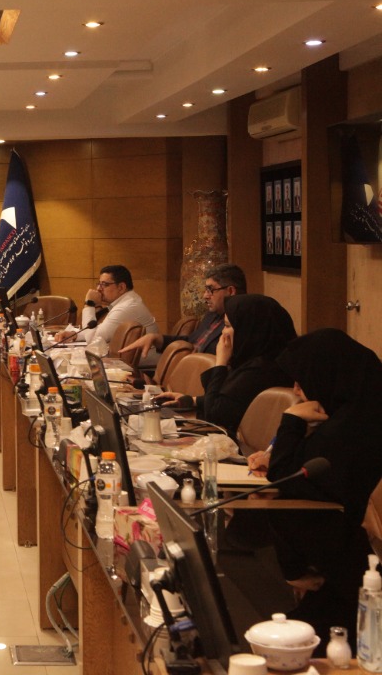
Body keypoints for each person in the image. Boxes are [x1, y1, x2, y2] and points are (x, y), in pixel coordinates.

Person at [246, 329, 382, 653]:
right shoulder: (356, 411)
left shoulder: (352, 428)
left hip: (346, 576)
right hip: (336, 554)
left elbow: (287, 479)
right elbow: (296, 472)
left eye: (301, 380)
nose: (295, 389)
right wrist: (276, 453)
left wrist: (292, 419)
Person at [160, 293, 296, 433]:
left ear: (249, 329)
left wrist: (221, 362)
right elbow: (230, 401)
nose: (223, 333)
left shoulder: (261, 371)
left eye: (227, 326)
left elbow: (215, 415)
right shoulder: (254, 360)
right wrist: (192, 400)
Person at [120, 263, 247, 359]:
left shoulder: (242, 324)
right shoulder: (213, 315)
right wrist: (156, 338)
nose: (205, 296)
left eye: (211, 290)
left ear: (230, 291)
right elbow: (191, 341)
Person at [53, 264, 158, 349]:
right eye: (99, 284)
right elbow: (98, 332)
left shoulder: (127, 307)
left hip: (140, 364)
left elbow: (93, 340)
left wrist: (89, 304)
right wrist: (74, 335)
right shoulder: (124, 302)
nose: (99, 289)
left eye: (104, 284)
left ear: (121, 287)